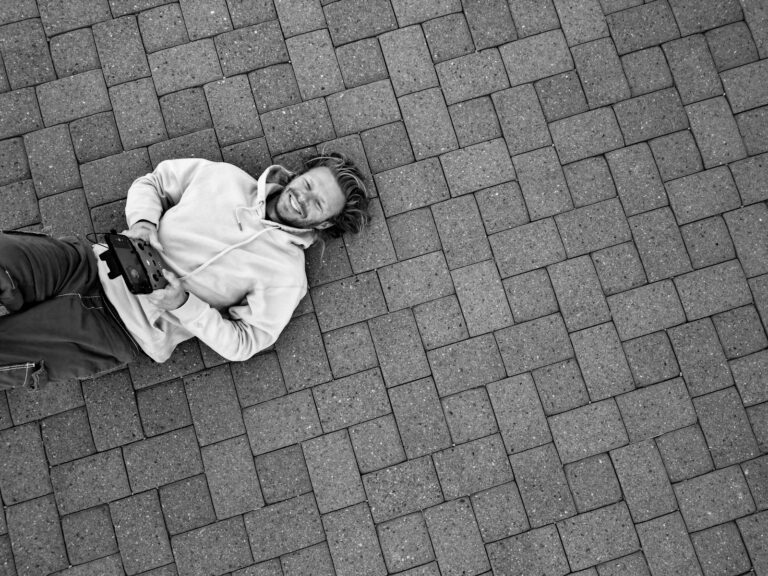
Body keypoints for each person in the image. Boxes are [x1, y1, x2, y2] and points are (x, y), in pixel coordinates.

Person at [0, 152, 370, 389]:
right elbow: (155, 182)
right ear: (296, 175)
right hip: (85, 261)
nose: (302, 198)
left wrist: (183, 304)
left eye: (318, 203)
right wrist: (144, 224)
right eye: (307, 185)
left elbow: (245, 343)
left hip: (118, 330)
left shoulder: (287, 277)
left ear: (324, 224)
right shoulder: (224, 176)